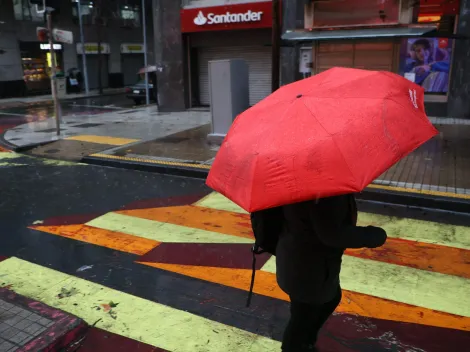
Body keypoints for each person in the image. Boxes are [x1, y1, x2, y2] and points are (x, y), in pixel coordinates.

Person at [276, 194, 387, 351]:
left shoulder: (302, 184)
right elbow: (332, 234)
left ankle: (304, 343)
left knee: (314, 307)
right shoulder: (325, 192)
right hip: (309, 267)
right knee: (303, 317)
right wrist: (373, 236)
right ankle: (298, 346)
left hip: (296, 256)